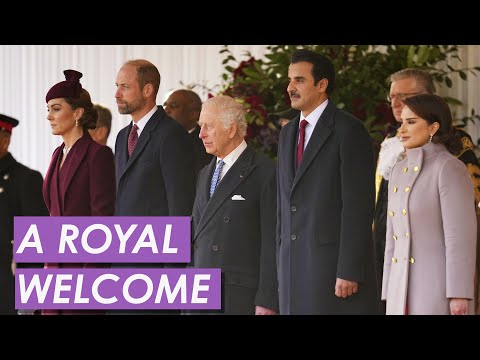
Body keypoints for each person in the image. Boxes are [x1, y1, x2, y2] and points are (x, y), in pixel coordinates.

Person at [276, 49, 379, 314]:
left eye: (299, 80)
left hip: (331, 269)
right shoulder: (287, 133)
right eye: (289, 80)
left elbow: (359, 205)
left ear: (322, 85)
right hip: (291, 267)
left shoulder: (349, 130)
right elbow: (284, 202)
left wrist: (349, 269)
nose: (290, 87)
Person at [373, 68, 480, 314]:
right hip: (399, 284)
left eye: (411, 121)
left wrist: (460, 292)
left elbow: (459, 236)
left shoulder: (449, 165)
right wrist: (388, 287)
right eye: (393, 97)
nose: (397, 104)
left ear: (432, 126)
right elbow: (391, 230)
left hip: (435, 284)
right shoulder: (396, 160)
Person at [113, 60, 196, 313]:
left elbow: (180, 208)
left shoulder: (172, 135)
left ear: (148, 90)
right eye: (117, 86)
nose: (117, 94)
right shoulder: (121, 137)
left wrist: (172, 276)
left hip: (155, 271)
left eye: (125, 87)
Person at [191, 96, 278, 315]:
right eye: (201, 126)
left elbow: (272, 242)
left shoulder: (265, 172)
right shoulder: (204, 173)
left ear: (231, 130)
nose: (201, 134)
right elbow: (195, 237)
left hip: (238, 296)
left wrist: (267, 299)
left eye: (208, 126)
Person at [43, 69, 116, 315]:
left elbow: (102, 224)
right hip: (54, 272)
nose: (49, 116)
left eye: (55, 109)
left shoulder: (99, 155)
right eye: (48, 109)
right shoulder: (56, 155)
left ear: (77, 113)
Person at [0, 114, 49, 315]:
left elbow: (36, 245)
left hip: (8, 293)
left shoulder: (26, 179)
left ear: (5, 140)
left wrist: (29, 303)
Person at [164, 89, 213, 176]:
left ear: (193, 114)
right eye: (165, 105)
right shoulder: (158, 138)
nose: (166, 110)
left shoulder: (207, 144)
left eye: (173, 106)